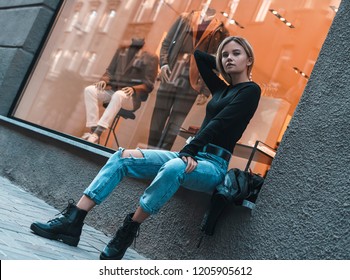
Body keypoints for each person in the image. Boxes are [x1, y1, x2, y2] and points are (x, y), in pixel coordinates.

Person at [30, 36, 261, 260]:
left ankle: (127, 231)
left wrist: (189, 152)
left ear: (249, 59)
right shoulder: (221, 89)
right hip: (191, 153)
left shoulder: (251, 91)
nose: (229, 58)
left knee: (173, 168)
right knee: (122, 157)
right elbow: (200, 57)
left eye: (236, 54)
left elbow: (220, 123)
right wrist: (220, 61)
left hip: (213, 164)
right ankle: (73, 220)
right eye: (225, 54)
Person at [147, 8, 229, 150]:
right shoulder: (185, 18)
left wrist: (205, 90)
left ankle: (160, 156)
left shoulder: (220, 31)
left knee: (175, 124)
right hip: (171, 74)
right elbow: (167, 42)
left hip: (193, 81)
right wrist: (164, 63)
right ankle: (148, 151)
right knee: (158, 117)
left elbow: (216, 63)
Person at [82, 38, 158, 144]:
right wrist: (104, 80)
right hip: (113, 92)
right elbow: (109, 71)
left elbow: (149, 85)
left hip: (131, 99)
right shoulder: (121, 52)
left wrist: (134, 88)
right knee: (90, 90)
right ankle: (93, 128)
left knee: (119, 94)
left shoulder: (151, 58)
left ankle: (97, 133)